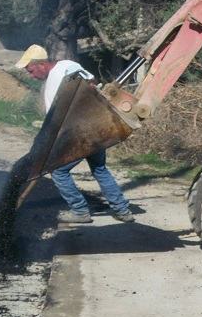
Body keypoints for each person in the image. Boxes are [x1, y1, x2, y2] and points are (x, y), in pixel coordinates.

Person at [15, 44, 134, 224]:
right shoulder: (65, 67)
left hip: (80, 134)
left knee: (58, 171)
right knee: (99, 169)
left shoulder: (60, 74)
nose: (31, 75)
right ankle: (123, 210)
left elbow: (62, 113)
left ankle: (80, 210)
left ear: (41, 64)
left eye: (31, 70)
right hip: (96, 127)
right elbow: (91, 80)